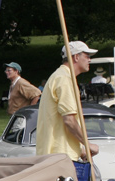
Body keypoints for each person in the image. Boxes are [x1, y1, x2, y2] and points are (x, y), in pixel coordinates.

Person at [37, 41, 100, 170]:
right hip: (60, 158)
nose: (90, 60)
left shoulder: (60, 76)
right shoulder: (65, 79)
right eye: (87, 56)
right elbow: (69, 120)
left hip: (56, 155)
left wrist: (79, 148)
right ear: (76, 57)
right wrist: (87, 144)